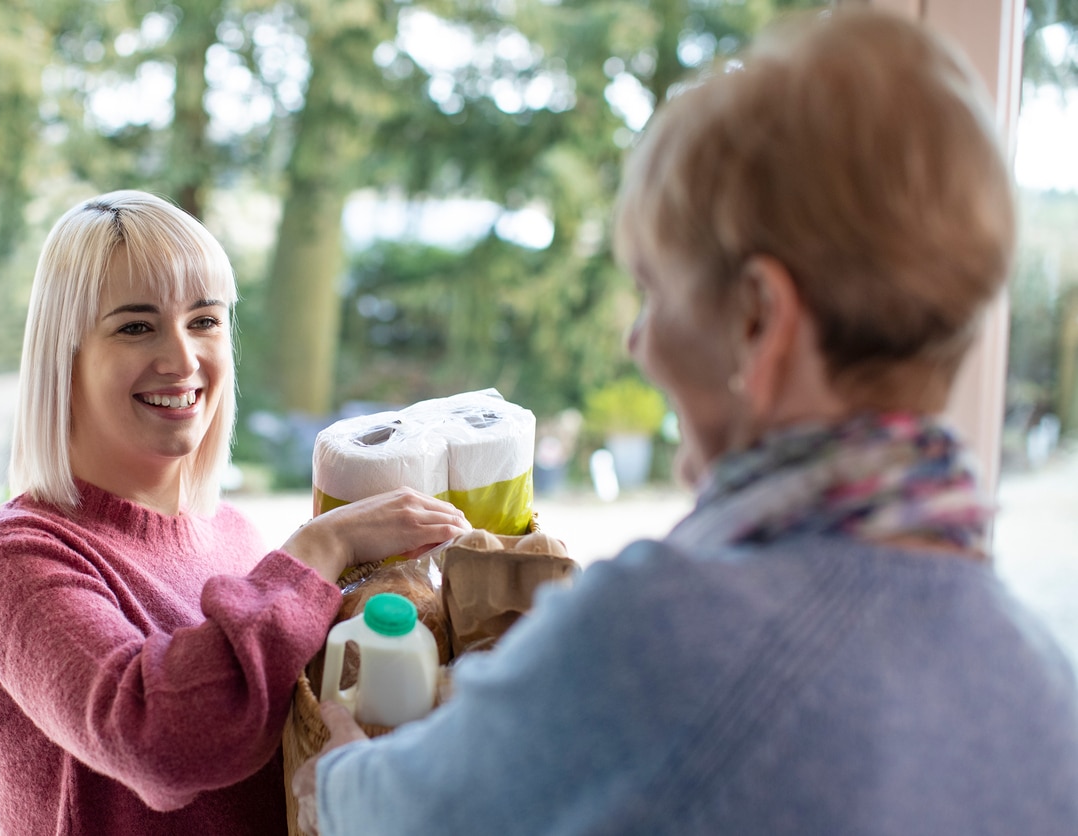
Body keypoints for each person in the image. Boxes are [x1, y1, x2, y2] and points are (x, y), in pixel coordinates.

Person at [293, 8, 1078, 835]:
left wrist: (338, 774)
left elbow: (409, 811)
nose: (640, 343)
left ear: (759, 321)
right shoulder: (1043, 686)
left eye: (655, 292)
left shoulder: (660, 632)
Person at [0, 190, 470, 835]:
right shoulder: (16, 555)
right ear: (66, 353)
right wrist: (320, 549)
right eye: (136, 326)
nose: (182, 359)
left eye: (204, 320)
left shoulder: (233, 536)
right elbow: (161, 742)